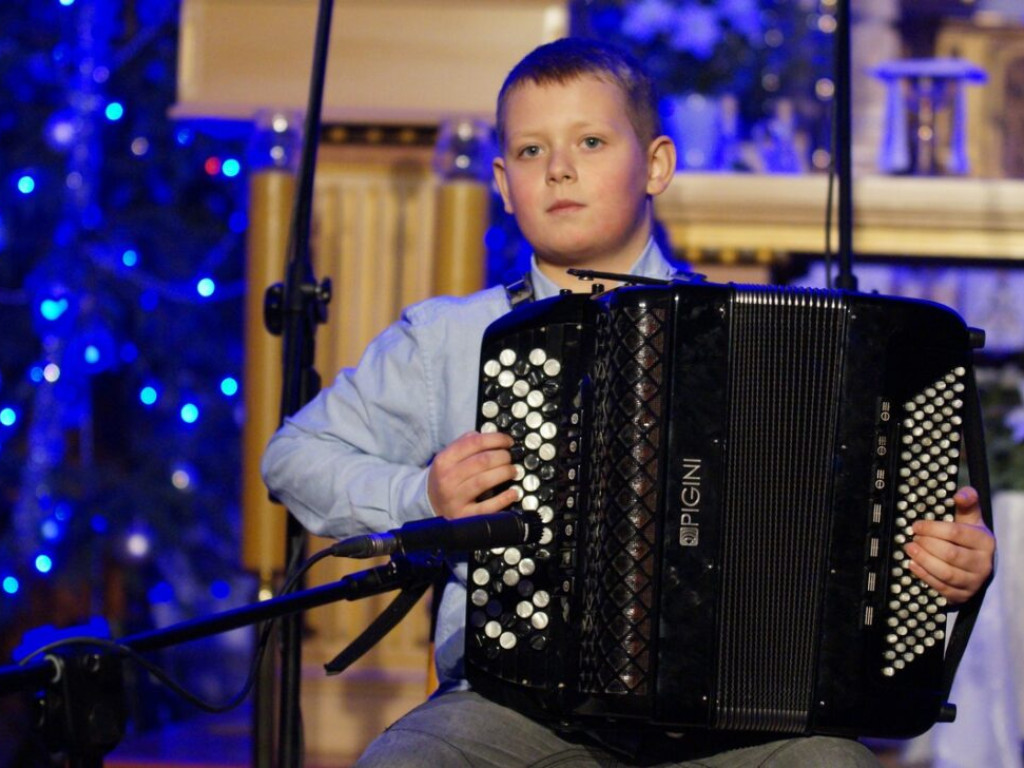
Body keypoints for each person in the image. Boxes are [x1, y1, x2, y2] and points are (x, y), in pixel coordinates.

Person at [261, 37, 996, 767]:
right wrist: (419, 494)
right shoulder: (448, 338)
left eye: (590, 140)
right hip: (512, 715)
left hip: (742, 733)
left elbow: (866, 540)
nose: (558, 170)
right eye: (529, 152)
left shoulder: (766, 338)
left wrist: (944, 568)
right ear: (501, 181)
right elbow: (292, 459)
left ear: (656, 165)